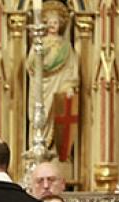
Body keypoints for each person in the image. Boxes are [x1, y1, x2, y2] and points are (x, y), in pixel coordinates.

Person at [25, 0, 80, 160]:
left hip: (58, 87)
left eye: (55, 22)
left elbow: (72, 70)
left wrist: (69, 85)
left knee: (57, 119)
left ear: (61, 24)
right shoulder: (38, 43)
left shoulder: (66, 47)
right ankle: (36, 147)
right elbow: (30, 65)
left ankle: (55, 152)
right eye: (49, 22)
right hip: (40, 87)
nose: (52, 25)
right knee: (38, 116)